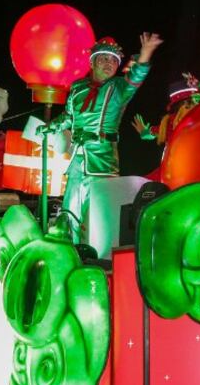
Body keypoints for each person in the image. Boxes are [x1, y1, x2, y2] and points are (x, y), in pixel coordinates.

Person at [42, 32, 163, 244]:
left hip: (103, 159)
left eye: (113, 61)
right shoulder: (77, 88)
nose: (109, 63)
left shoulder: (118, 88)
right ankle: (71, 248)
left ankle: (97, 253)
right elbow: (69, 116)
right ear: (93, 62)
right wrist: (51, 127)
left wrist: (145, 54)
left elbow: (135, 78)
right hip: (78, 158)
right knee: (70, 208)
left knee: (100, 212)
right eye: (104, 59)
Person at [133, 72, 200, 145]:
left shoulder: (168, 124)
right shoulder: (169, 123)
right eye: (195, 100)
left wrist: (145, 133)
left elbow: (149, 133)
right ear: (186, 103)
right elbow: (151, 133)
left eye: (198, 100)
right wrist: (145, 133)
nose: (197, 103)